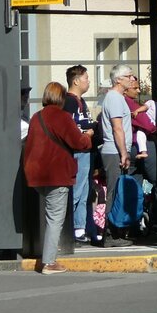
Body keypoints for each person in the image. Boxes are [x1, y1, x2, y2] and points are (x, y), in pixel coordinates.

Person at [23, 81, 92, 274]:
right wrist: (88, 136)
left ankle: (47, 257)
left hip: (36, 175)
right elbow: (78, 142)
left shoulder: (37, 117)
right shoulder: (62, 117)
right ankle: (49, 262)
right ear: (61, 98)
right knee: (55, 219)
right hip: (57, 174)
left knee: (49, 216)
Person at [98, 64, 137, 246]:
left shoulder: (117, 97)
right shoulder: (114, 98)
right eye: (129, 76)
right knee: (114, 191)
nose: (132, 79)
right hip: (114, 151)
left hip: (116, 150)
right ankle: (109, 233)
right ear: (119, 79)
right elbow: (117, 128)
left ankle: (116, 231)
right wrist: (124, 153)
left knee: (117, 190)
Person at [62, 64, 96, 243]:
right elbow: (69, 126)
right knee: (77, 190)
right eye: (85, 78)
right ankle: (68, 227)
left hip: (85, 151)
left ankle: (79, 229)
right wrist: (86, 134)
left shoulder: (81, 102)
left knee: (84, 192)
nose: (88, 82)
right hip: (77, 152)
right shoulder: (69, 101)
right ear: (76, 81)